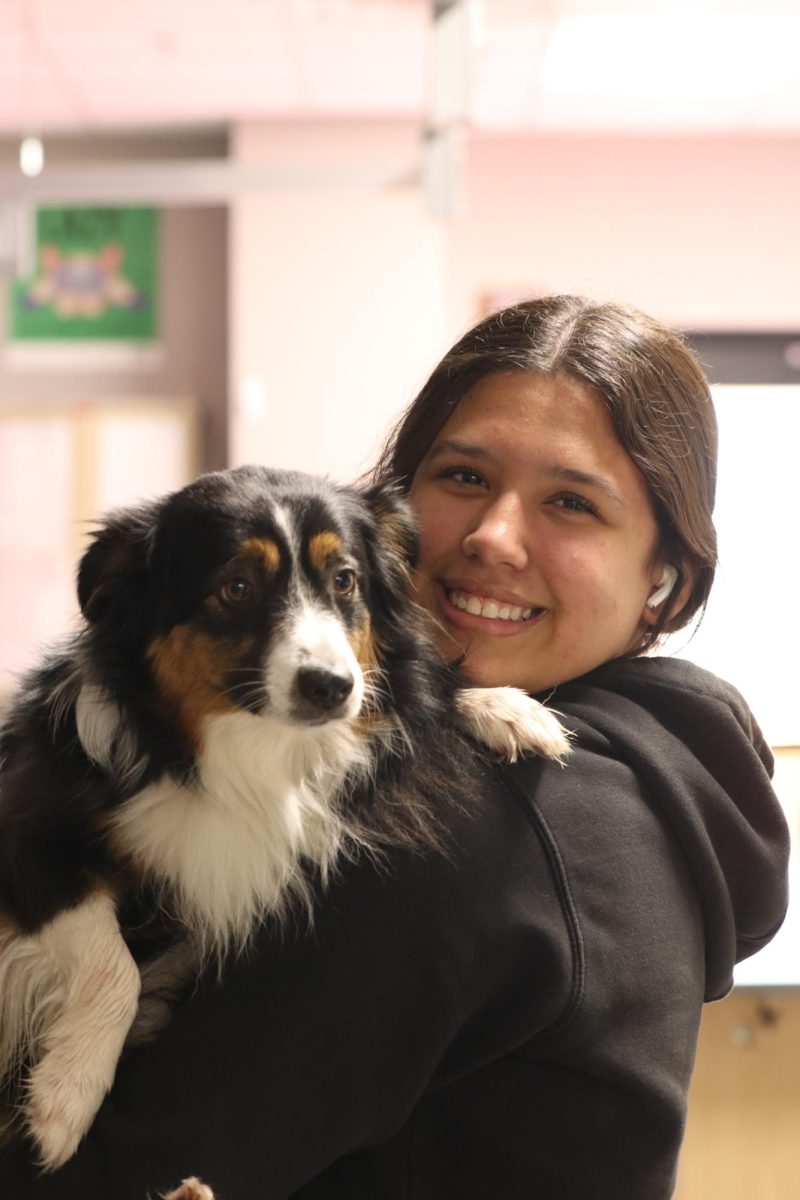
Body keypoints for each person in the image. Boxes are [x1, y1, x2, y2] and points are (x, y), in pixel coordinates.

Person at [0, 296, 789, 1199]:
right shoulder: (645, 770)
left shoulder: (481, 821)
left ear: (669, 581)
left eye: (572, 502)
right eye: (461, 477)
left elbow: (128, 1166)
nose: (493, 536)